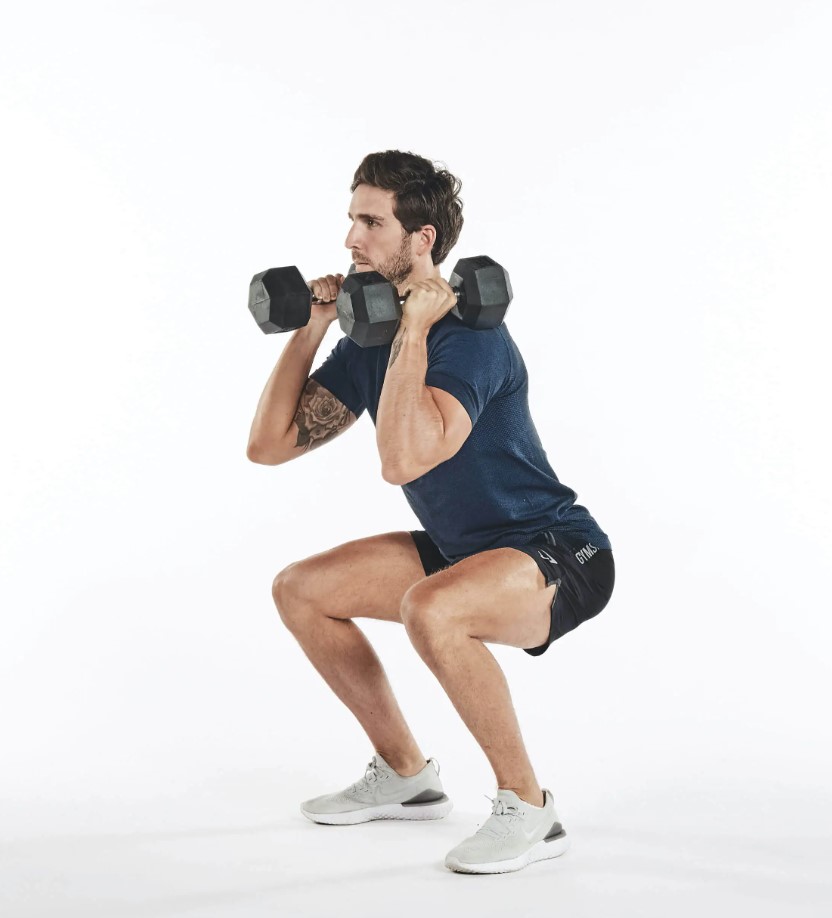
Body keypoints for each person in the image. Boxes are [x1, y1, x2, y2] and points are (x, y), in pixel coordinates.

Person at [246, 150, 615, 875]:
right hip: (463, 548)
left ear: (421, 241)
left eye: (371, 222)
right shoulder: (367, 338)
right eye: (352, 218)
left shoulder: (472, 338)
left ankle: (531, 808)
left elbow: (403, 461)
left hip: (558, 551)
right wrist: (315, 326)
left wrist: (415, 328)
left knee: (432, 609)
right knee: (302, 589)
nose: (351, 239)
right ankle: (407, 777)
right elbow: (270, 444)